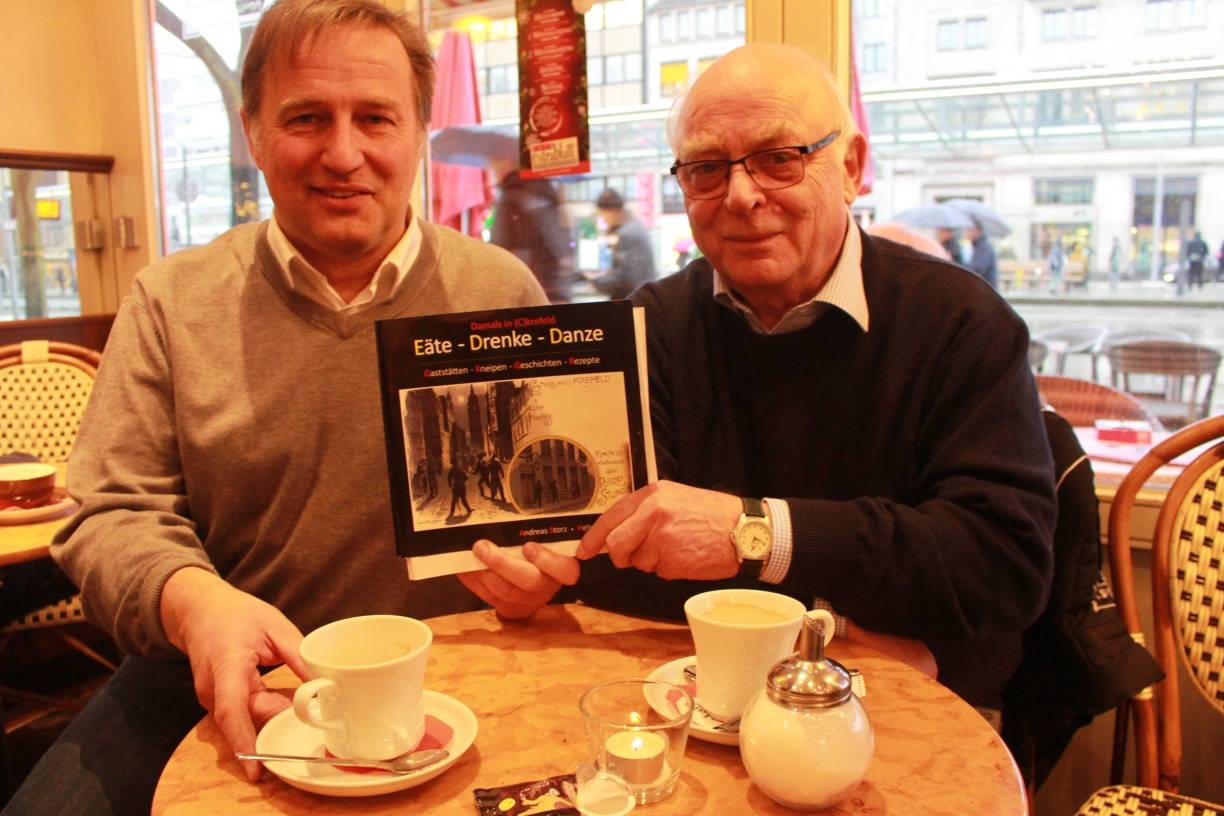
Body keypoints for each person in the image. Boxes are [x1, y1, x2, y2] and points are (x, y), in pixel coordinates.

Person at [5, 3, 577, 814]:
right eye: (307, 118)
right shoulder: (172, 300)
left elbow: (544, 505)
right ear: (253, 132)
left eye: (375, 118)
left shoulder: (500, 292)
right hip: (208, 679)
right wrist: (194, 604)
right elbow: (108, 511)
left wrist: (538, 573)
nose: (343, 154)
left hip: (455, 672)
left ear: (419, 133)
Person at [558, 43, 1056, 719]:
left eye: (778, 158)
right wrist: (838, 625)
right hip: (700, 703)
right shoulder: (650, 327)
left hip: (912, 711)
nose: (740, 194)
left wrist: (753, 531)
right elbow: (626, 566)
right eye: (707, 168)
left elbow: (999, 569)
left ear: (849, 167)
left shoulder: (961, 323)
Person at [488, 156, 574, 303]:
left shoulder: (510, 198)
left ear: (508, 164)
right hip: (556, 288)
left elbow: (498, 250)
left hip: (525, 289)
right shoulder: (549, 194)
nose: (491, 169)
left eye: (494, 164)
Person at [586, 189, 657, 299]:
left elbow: (626, 278)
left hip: (632, 301)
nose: (603, 219)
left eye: (602, 214)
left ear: (613, 212)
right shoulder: (635, 227)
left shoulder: (627, 234)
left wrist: (595, 281)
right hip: (642, 298)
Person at [964, 223, 998, 289]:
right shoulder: (978, 246)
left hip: (986, 292)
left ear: (978, 231)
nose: (966, 231)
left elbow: (976, 270)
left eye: (969, 229)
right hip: (982, 290)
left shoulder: (983, 247)